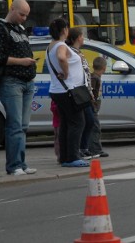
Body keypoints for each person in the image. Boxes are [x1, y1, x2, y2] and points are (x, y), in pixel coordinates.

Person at [0, 0, 38, 175]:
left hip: (27, 82)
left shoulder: (20, 30)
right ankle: (14, 165)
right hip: (11, 81)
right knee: (15, 124)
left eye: (26, 15)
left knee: (23, 125)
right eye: (21, 14)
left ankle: (21, 163)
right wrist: (22, 62)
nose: (24, 18)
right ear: (12, 9)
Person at [46, 18, 90, 168]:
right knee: (78, 122)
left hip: (59, 90)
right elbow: (61, 57)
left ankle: (65, 157)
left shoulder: (50, 45)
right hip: (68, 90)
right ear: (64, 29)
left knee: (66, 123)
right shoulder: (60, 45)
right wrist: (65, 72)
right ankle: (72, 157)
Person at [65, 27, 98, 161]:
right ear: (77, 38)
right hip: (78, 91)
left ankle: (83, 148)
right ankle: (79, 148)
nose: (83, 38)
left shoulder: (79, 52)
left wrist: (90, 92)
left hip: (84, 91)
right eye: (82, 36)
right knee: (85, 121)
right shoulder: (72, 53)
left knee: (88, 121)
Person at [88, 56, 109, 158]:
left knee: (93, 128)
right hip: (93, 108)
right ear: (104, 68)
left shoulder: (94, 77)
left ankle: (92, 148)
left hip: (94, 108)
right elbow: (91, 93)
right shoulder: (94, 78)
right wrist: (94, 106)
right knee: (95, 128)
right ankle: (95, 150)